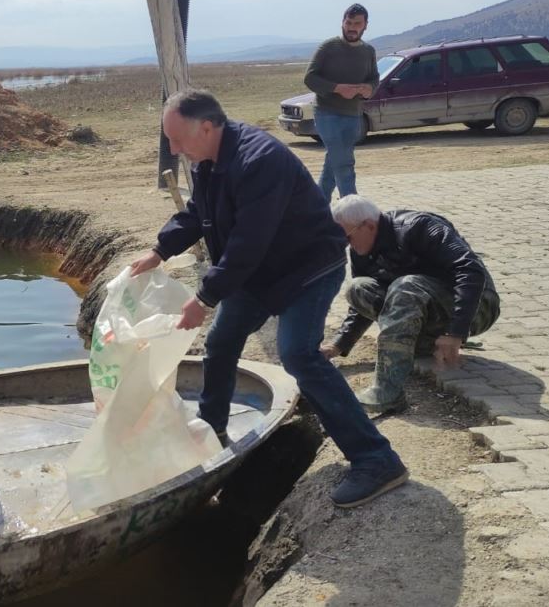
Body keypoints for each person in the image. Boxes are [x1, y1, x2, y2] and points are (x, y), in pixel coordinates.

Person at [130, 89, 407, 508]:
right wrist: (159, 250)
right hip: (262, 271)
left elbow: (247, 243)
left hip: (307, 269)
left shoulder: (259, 161)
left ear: (206, 128)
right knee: (222, 343)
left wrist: (204, 298)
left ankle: (376, 459)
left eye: (177, 139)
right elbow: (197, 214)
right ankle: (212, 430)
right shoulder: (207, 159)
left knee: (297, 354)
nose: (173, 149)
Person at [323, 196, 500, 414]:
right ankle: (424, 344)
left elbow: (471, 270)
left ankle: (387, 392)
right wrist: (338, 345)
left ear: (369, 225)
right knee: (358, 288)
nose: (346, 245)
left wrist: (456, 332)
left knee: (405, 286)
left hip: (478, 305)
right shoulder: (362, 249)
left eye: (347, 237)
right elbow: (361, 307)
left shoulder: (419, 227)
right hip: (426, 305)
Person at [304, 3, 378, 198]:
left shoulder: (368, 51)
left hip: (353, 115)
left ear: (365, 26)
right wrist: (337, 88)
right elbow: (310, 78)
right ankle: (353, 211)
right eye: (348, 22)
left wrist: (369, 89)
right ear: (342, 22)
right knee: (345, 165)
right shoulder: (328, 47)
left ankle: (317, 209)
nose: (352, 27)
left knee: (333, 165)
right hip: (327, 113)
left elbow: (374, 78)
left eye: (357, 23)